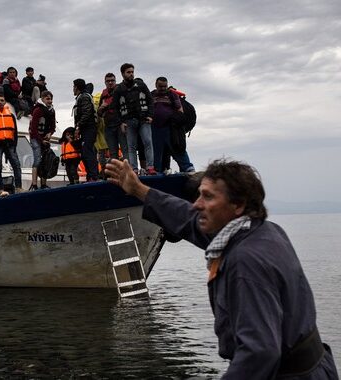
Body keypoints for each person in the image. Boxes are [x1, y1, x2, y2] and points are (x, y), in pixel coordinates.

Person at [105, 158, 339, 379]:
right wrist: (138, 189)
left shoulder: (245, 262)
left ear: (237, 205)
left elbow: (259, 352)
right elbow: (187, 219)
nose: (197, 204)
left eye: (207, 197)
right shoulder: (262, 231)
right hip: (316, 367)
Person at [111, 63, 155, 175]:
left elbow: (150, 100)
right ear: (123, 74)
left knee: (148, 142)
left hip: (143, 119)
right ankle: (134, 170)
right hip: (129, 121)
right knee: (131, 147)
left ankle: (150, 167)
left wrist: (150, 115)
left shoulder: (140, 85)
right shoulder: (119, 89)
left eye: (132, 72)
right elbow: (115, 108)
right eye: (128, 72)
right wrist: (120, 122)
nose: (131, 74)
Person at [72, 78, 99, 182]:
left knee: (88, 152)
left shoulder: (83, 97)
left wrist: (78, 126)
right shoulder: (82, 96)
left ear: (77, 87)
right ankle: (90, 175)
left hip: (89, 128)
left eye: (74, 87)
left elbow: (87, 113)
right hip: (86, 129)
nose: (73, 89)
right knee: (85, 152)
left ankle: (93, 176)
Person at [28, 90, 55, 190]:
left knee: (46, 160)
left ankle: (43, 184)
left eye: (51, 99)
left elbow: (53, 126)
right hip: (35, 138)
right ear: (43, 99)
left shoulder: (52, 111)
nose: (50, 101)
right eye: (48, 99)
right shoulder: (38, 110)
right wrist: (40, 140)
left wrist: (50, 133)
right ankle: (34, 184)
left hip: (45, 138)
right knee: (37, 159)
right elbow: (33, 129)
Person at [97, 73, 127, 161]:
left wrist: (123, 122)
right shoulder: (103, 94)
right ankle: (115, 174)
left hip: (120, 124)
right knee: (113, 152)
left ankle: (128, 172)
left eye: (112, 81)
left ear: (115, 81)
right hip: (109, 126)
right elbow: (99, 113)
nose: (110, 83)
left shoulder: (121, 91)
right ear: (105, 82)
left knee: (125, 150)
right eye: (108, 81)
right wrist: (101, 108)